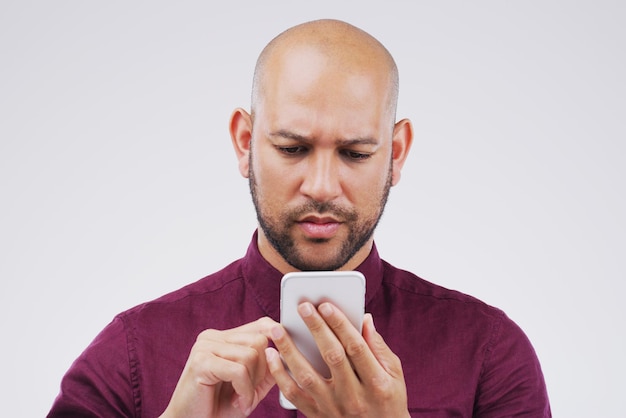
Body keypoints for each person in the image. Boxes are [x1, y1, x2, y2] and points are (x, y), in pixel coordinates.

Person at [48, 19, 551, 417]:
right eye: (292, 148)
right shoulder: (131, 352)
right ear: (245, 143)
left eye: (355, 153)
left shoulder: (489, 354)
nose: (322, 186)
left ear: (395, 154)